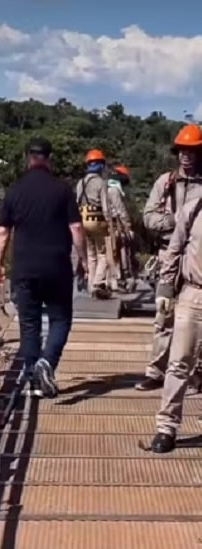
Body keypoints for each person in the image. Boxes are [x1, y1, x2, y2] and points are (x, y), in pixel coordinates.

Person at [0, 137, 88, 398]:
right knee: (60, 319)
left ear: (28, 158)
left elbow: (3, 233)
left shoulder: (15, 191)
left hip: (24, 269)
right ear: (49, 158)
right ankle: (48, 362)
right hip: (57, 267)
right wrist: (83, 260)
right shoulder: (63, 190)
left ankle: (34, 380)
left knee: (29, 324)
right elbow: (76, 229)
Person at [136, 124, 202, 392]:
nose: (186, 156)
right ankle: (156, 371)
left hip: (196, 257)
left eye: (192, 151)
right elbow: (148, 217)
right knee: (164, 316)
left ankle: (196, 373)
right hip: (167, 254)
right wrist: (178, 221)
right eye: (182, 151)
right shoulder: (165, 182)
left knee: (196, 319)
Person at [149, 193, 202, 452]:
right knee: (179, 362)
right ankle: (166, 428)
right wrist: (165, 288)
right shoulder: (195, 207)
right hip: (194, 293)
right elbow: (175, 249)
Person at [74, 149, 112, 299]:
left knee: (90, 254)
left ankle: (90, 285)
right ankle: (97, 283)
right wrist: (109, 222)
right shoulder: (100, 183)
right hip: (97, 220)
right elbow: (105, 205)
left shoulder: (80, 183)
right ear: (100, 165)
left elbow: (76, 202)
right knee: (103, 253)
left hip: (82, 220)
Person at [107, 165, 134, 291]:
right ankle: (121, 277)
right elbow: (120, 209)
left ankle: (117, 278)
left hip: (109, 223)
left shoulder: (107, 187)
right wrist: (127, 225)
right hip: (115, 224)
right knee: (121, 249)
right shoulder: (114, 190)